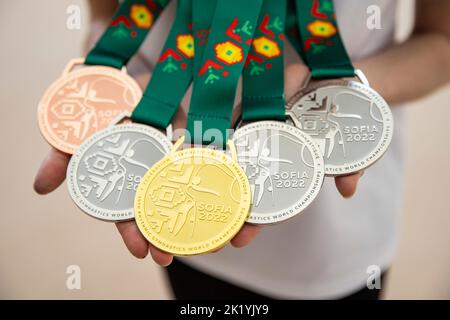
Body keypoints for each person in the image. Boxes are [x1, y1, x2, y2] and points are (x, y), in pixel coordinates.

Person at [34, 0, 450, 299]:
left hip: (333, 238)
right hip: (171, 186)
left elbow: (441, 41)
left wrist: (341, 92)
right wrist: (107, 81)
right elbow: (106, 12)